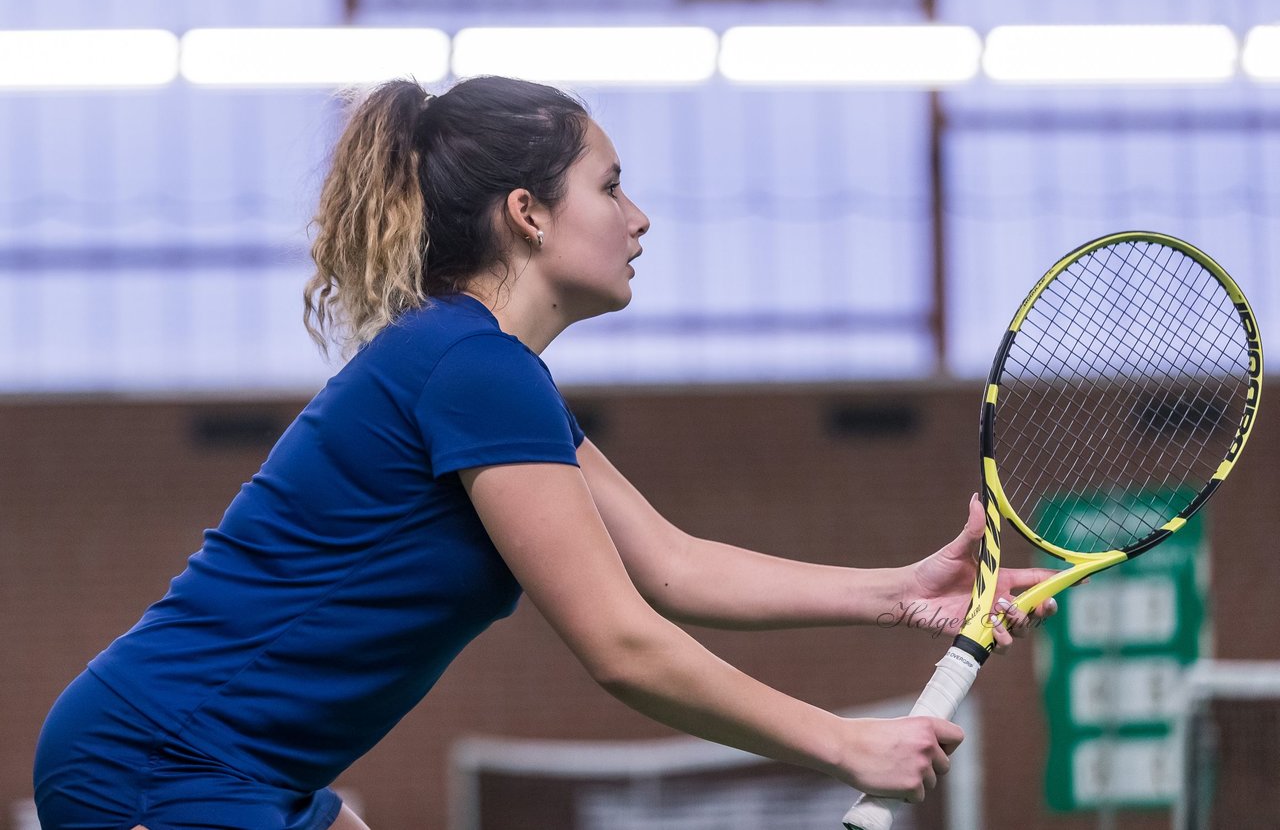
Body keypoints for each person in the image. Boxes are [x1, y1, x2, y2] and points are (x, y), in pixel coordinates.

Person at [32, 75, 1057, 830]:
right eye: (610, 186)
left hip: (225, 766)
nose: (638, 215)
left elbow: (671, 563)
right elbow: (619, 644)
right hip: (159, 762)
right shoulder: (469, 369)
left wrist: (903, 590)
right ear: (525, 214)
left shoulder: (486, 374)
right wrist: (843, 740)